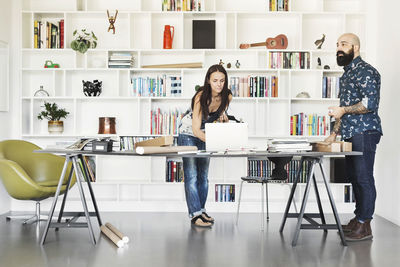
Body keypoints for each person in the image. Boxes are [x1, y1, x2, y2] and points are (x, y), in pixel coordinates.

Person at [325, 33, 382, 241]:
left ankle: (365, 224)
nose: (339, 48)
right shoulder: (346, 74)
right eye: (337, 44)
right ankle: (359, 218)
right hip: (350, 133)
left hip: (365, 131)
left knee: (363, 177)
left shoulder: (367, 71)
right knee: (354, 177)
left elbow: (369, 104)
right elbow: (343, 109)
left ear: (356, 48)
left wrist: (343, 111)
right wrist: (334, 133)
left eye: (344, 44)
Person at [178, 64, 232, 227]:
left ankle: (201, 210)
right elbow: (195, 129)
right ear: (208, 81)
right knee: (192, 175)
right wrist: (216, 141)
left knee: (204, 177)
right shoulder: (201, 97)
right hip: (188, 134)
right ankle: (195, 215)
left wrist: (224, 119)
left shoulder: (227, 96)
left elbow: (218, 116)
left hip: (206, 133)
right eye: (215, 80)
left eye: (222, 81)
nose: (219, 84)